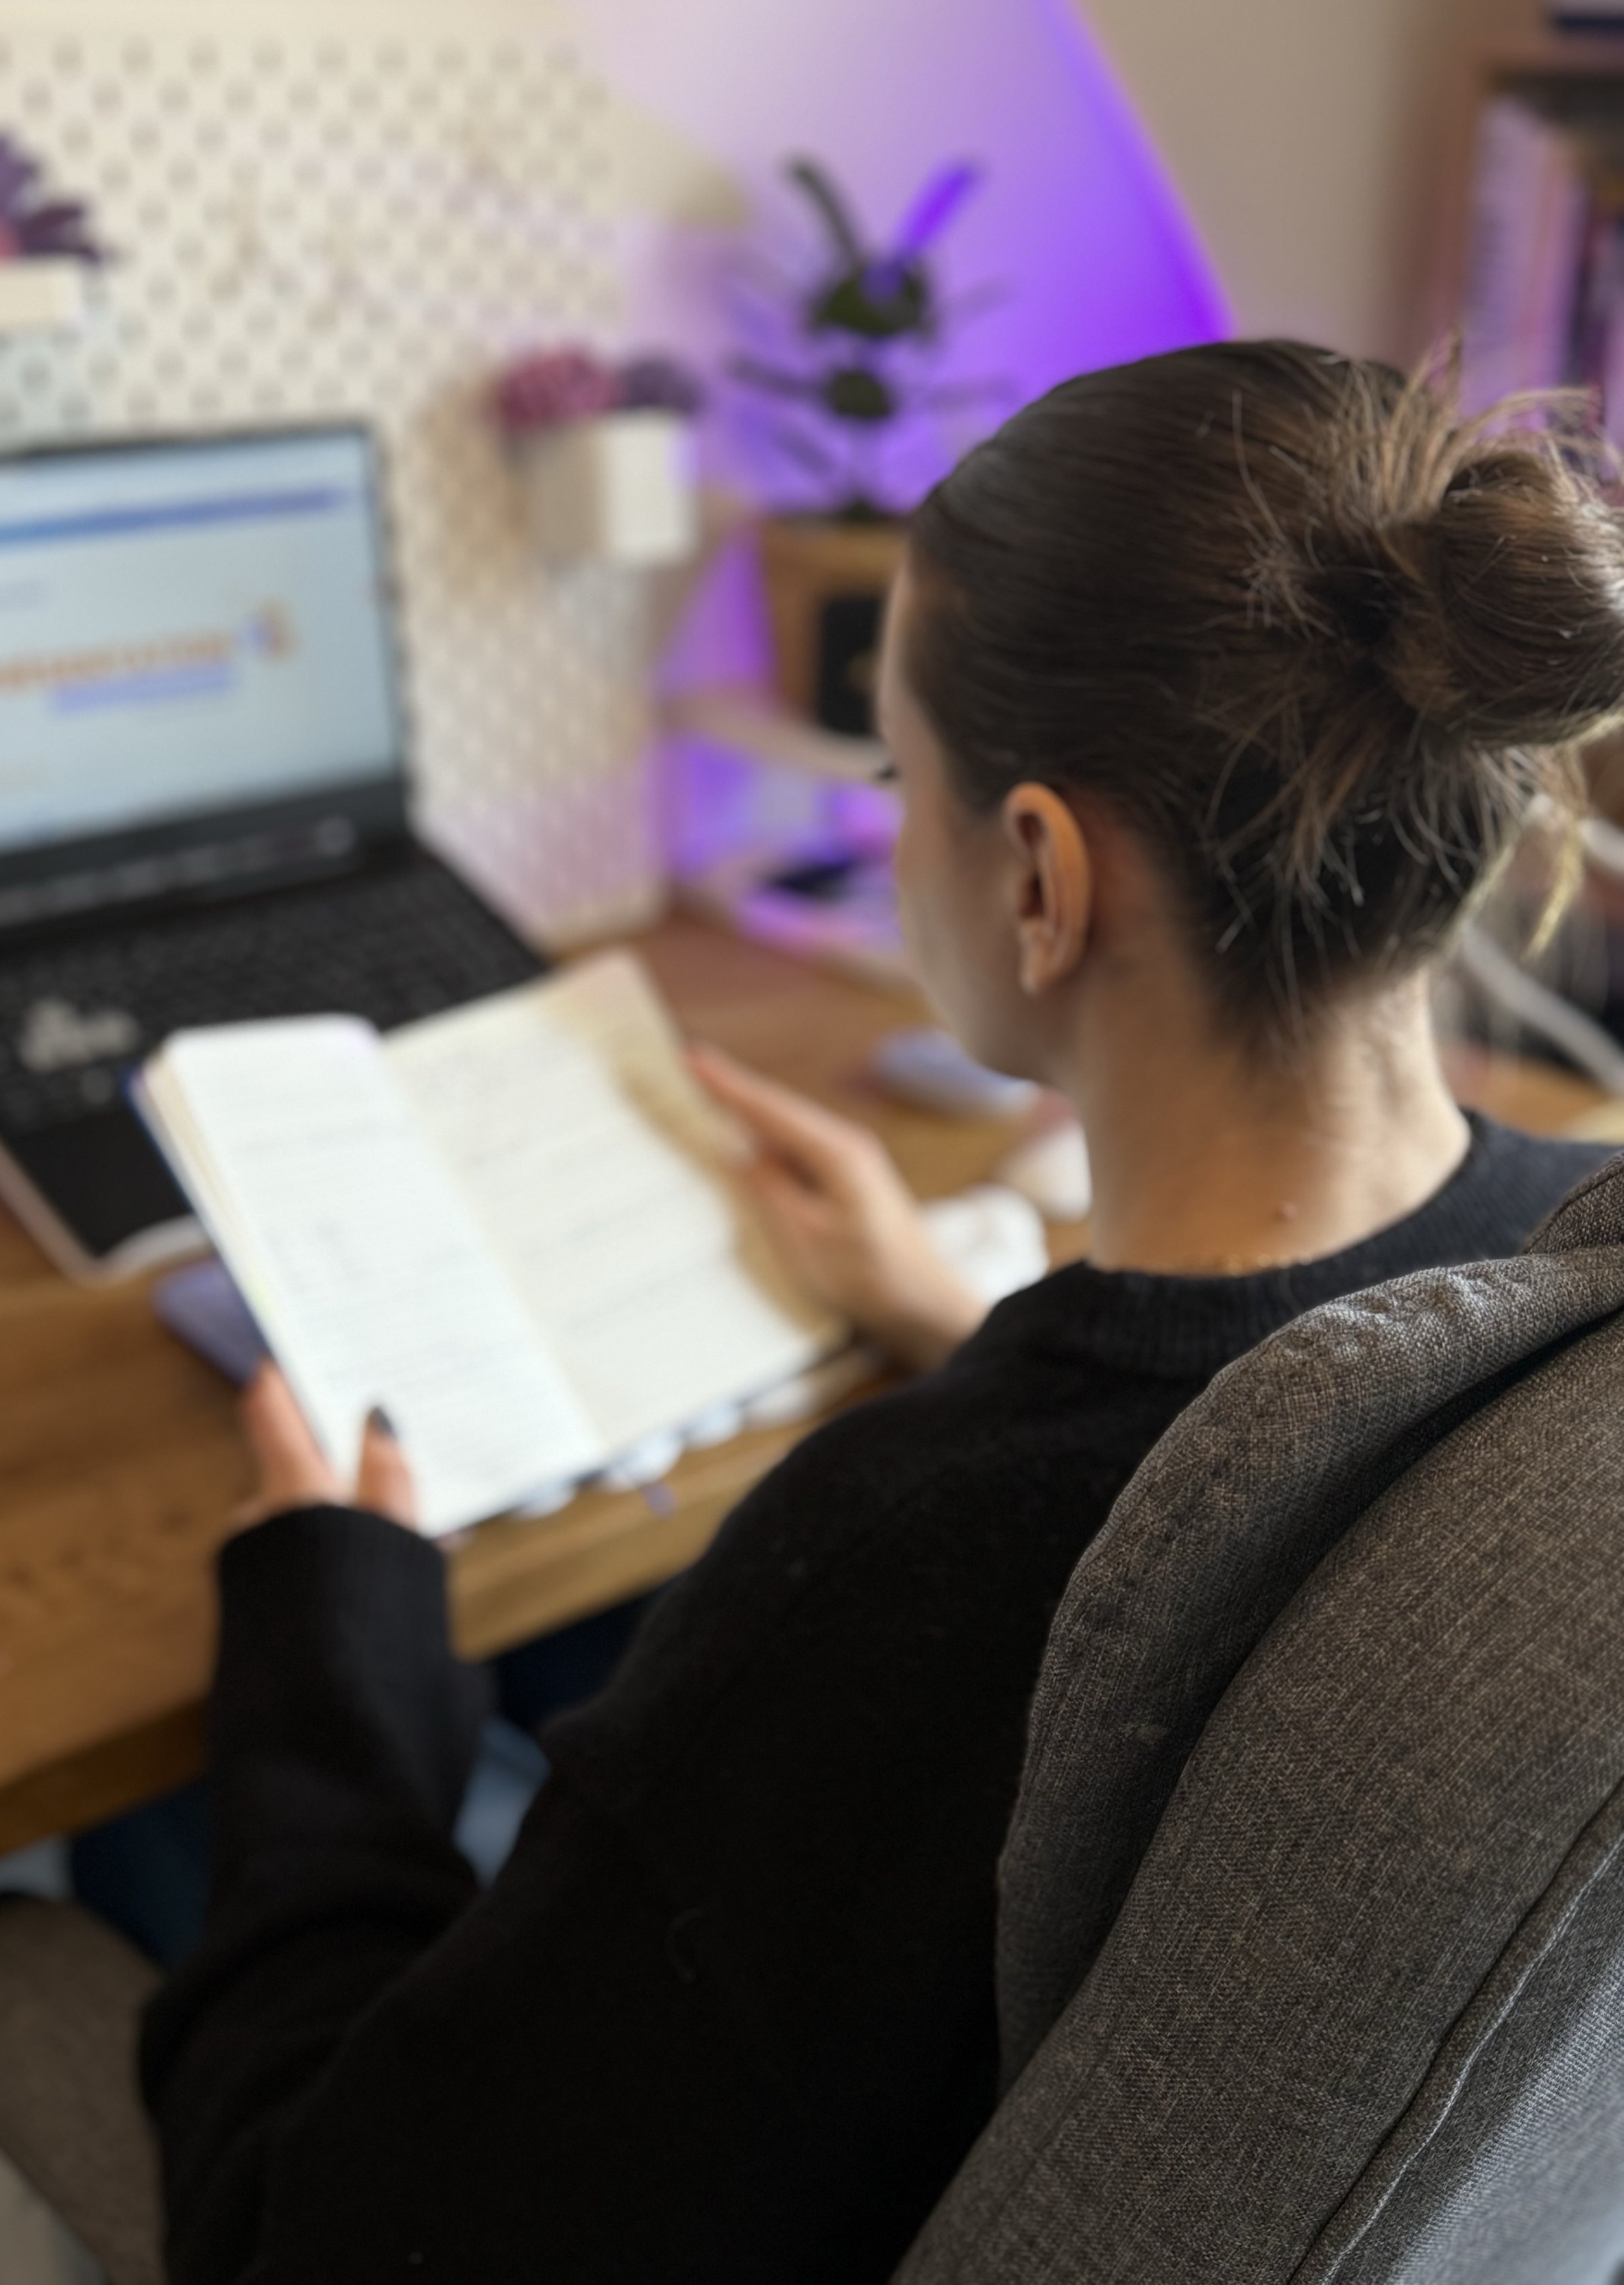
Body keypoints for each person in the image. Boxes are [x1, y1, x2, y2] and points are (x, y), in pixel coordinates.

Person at [141, 343, 1621, 2285]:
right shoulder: (1560, 1273)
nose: (884, 813)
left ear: (1036, 875)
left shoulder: (890, 1562)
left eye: (888, 773)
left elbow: (325, 2239)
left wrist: (330, 1617)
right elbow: (1245, 1452)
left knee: (163, 1819)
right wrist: (958, 1325)